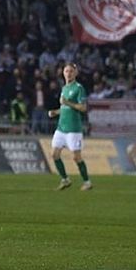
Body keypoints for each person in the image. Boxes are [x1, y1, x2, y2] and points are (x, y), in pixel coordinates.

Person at [47, 62, 92, 190]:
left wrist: (67, 102)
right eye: (66, 71)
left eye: (71, 71)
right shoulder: (64, 88)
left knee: (76, 157)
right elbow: (65, 107)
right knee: (54, 154)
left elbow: (83, 108)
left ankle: (87, 182)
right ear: (63, 73)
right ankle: (65, 179)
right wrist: (55, 112)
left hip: (73, 129)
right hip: (61, 128)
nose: (69, 73)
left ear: (75, 73)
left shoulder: (79, 88)